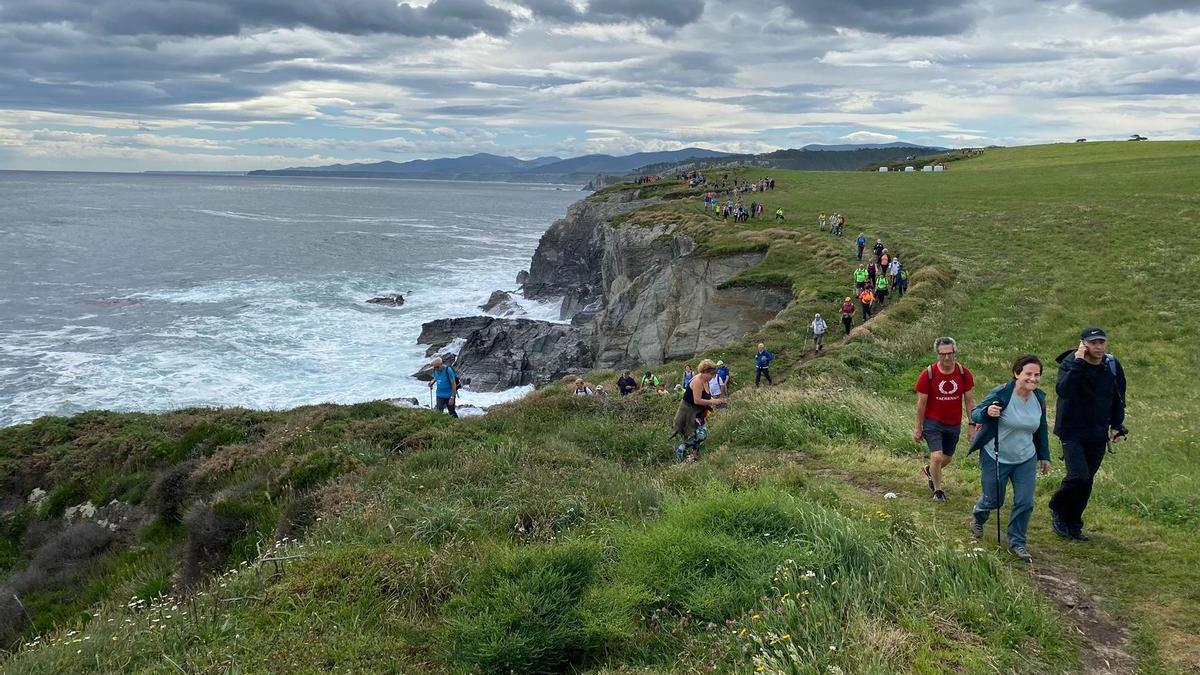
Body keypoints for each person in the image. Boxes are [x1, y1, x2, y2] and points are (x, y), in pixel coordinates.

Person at [966, 355, 1053, 563]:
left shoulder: (1039, 398)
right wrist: (988, 411)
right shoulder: (1002, 393)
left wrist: (1044, 456)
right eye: (1028, 374)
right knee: (994, 499)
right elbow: (976, 414)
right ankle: (979, 515)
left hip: (1025, 458)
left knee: (1025, 501)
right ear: (1017, 374)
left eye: (1037, 374)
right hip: (995, 455)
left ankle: (1017, 542)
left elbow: (1040, 429)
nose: (1033, 378)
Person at [1048, 328, 1127, 541]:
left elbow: (1119, 396)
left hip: (1098, 432)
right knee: (1078, 476)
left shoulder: (1111, 365)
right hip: (1072, 431)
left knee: (1087, 480)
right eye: (1093, 343)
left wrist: (1117, 425)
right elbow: (1064, 390)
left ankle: (1074, 523)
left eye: (1102, 342)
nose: (1099, 347)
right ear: (1083, 344)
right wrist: (1079, 362)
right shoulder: (1071, 364)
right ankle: (1057, 508)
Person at [914, 337, 976, 502]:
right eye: (943, 354)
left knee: (946, 458)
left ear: (955, 352)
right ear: (937, 355)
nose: (947, 358)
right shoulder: (928, 374)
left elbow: (969, 400)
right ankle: (938, 491)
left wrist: (972, 424)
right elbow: (921, 404)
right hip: (933, 422)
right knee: (937, 457)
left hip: (953, 423)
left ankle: (929, 470)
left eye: (950, 353)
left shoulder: (964, 373)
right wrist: (918, 427)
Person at [672, 359, 724, 462]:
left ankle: (694, 456)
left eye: (714, 374)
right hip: (688, 411)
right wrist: (713, 402)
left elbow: (707, 397)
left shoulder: (705, 380)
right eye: (711, 374)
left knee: (698, 433)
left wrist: (718, 401)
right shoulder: (697, 381)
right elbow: (697, 400)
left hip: (697, 411)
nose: (712, 377)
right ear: (704, 372)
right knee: (701, 434)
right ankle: (681, 447)